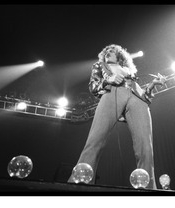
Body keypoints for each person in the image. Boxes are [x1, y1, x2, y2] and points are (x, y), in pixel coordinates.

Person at [68, 44, 166, 189]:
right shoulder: (99, 65)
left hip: (137, 99)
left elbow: (143, 95)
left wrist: (153, 84)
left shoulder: (129, 70)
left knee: (145, 146)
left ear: (119, 55)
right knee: (96, 139)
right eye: (106, 51)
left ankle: (148, 187)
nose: (108, 52)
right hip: (112, 93)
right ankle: (80, 182)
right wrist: (108, 80)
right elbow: (93, 87)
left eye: (111, 51)